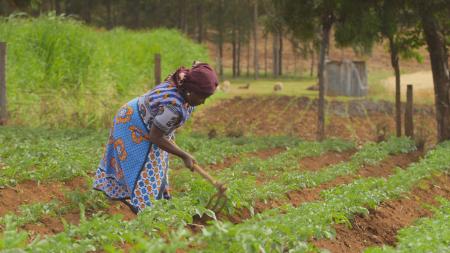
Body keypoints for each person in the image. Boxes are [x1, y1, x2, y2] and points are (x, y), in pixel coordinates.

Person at [93, 62, 218, 213]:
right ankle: (146, 212)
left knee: (158, 167)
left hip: (148, 123)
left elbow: (198, 67)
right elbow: (156, 137)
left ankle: (158, 206)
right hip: (132, 124)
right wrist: (184, 155)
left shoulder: (183, 81)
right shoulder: (173, 107)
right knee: (146, 169)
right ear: (191, 91)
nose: (203, 102)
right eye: (202, 97)